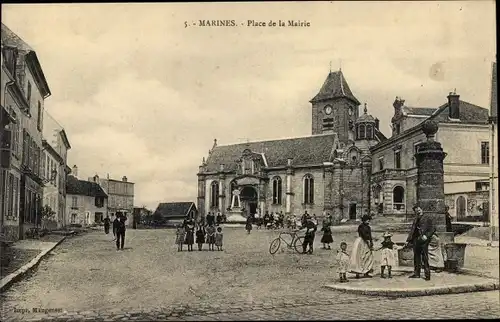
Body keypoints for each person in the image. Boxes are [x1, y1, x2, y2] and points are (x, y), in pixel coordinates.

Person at [405, 205, 435, 281]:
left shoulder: (427, 218)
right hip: (416, 240)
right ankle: (416, 273)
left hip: (424, 240)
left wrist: (426, 236)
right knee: (416, 257)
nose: (418, 211)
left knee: (424, 257)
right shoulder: (415, 219)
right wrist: (408, 240)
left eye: (419, 209)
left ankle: (427, 275)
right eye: (416, 210)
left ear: (422, 209)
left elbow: (432, 229)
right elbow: (412, 230)